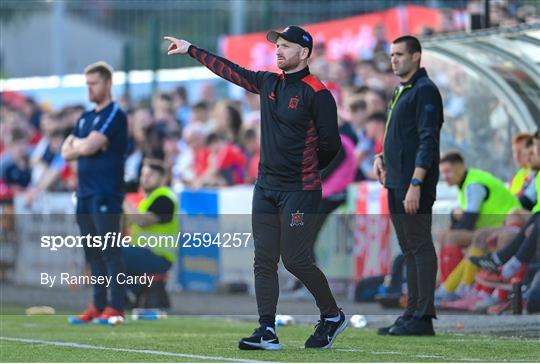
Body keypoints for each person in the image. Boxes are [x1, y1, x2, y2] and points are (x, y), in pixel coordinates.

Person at [164, 25, 347, 350]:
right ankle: (267, 330)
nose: (278, 50)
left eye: (286, 46)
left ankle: (331, 315)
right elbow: (230, 71)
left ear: (304, 53)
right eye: (277, 45)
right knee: (263, 260)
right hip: (265, 188)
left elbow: (332, 146)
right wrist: (192, 48)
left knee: (295, 259)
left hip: (300, 190)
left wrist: (305, 171)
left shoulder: (317, 94)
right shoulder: (269, 82)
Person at [373, 35, 443, 336]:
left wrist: (416, 182)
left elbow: (428, 141)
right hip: (396, 180)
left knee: (419, 245)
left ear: (416, 56)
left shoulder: (425, 91)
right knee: (408, 248)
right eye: (392, 55)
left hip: (412, 183)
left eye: (400, 54)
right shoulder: (402, 89)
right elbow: (401, 136)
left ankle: (423, 317)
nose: (394, 59)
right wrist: (381, 156)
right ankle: (412, 311)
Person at [61, 61, 128, 324]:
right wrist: (84, 145)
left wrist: (83, 145)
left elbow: (86, 147)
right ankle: (98, 305)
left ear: (108, 83)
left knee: (110, 250)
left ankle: (117, 306)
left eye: (94, 83)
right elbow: (67, 152)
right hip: (84, 193)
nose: (89, 88)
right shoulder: (85, 117)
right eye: (87, 84)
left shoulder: (115, 114)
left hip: (106, 193)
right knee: (92, 252)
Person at [123, 159, 179, 309]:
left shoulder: (165, 198)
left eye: (151, 175)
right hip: (146, 254)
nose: (145, 178)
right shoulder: (147, 200)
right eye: (143, 174)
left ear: (163, 179)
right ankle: (129, 293)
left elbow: (141, 221)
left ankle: (126, 295)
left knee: (113, 253)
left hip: (158, 256)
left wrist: (121, 197)